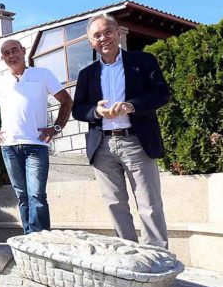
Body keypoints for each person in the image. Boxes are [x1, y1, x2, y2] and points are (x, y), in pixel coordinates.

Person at [72, 14, 170, 248]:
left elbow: (162, 94)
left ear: (118, 33)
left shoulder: (144, 61)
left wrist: (132, 105)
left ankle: (156, 258)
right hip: (102, 146)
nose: (103, 38)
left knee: (149, 203)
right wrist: (96, 112)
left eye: (107, 32)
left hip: (136, 141)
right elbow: (78, 109)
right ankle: (129, 255)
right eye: (97, 35)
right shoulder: (87, 74)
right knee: (115, 204)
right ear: (91, 43)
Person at [0, 39, 72, 234]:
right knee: (22, 196)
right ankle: (29, 240)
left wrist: (55, 128)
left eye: (15, 50)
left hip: (36, 145)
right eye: (7, 53)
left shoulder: (42, 74)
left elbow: (66, 100)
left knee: (37, 195)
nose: (12, 55)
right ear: (3, 58)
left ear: (23, 51)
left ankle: (41, 242)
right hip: (9, 147)